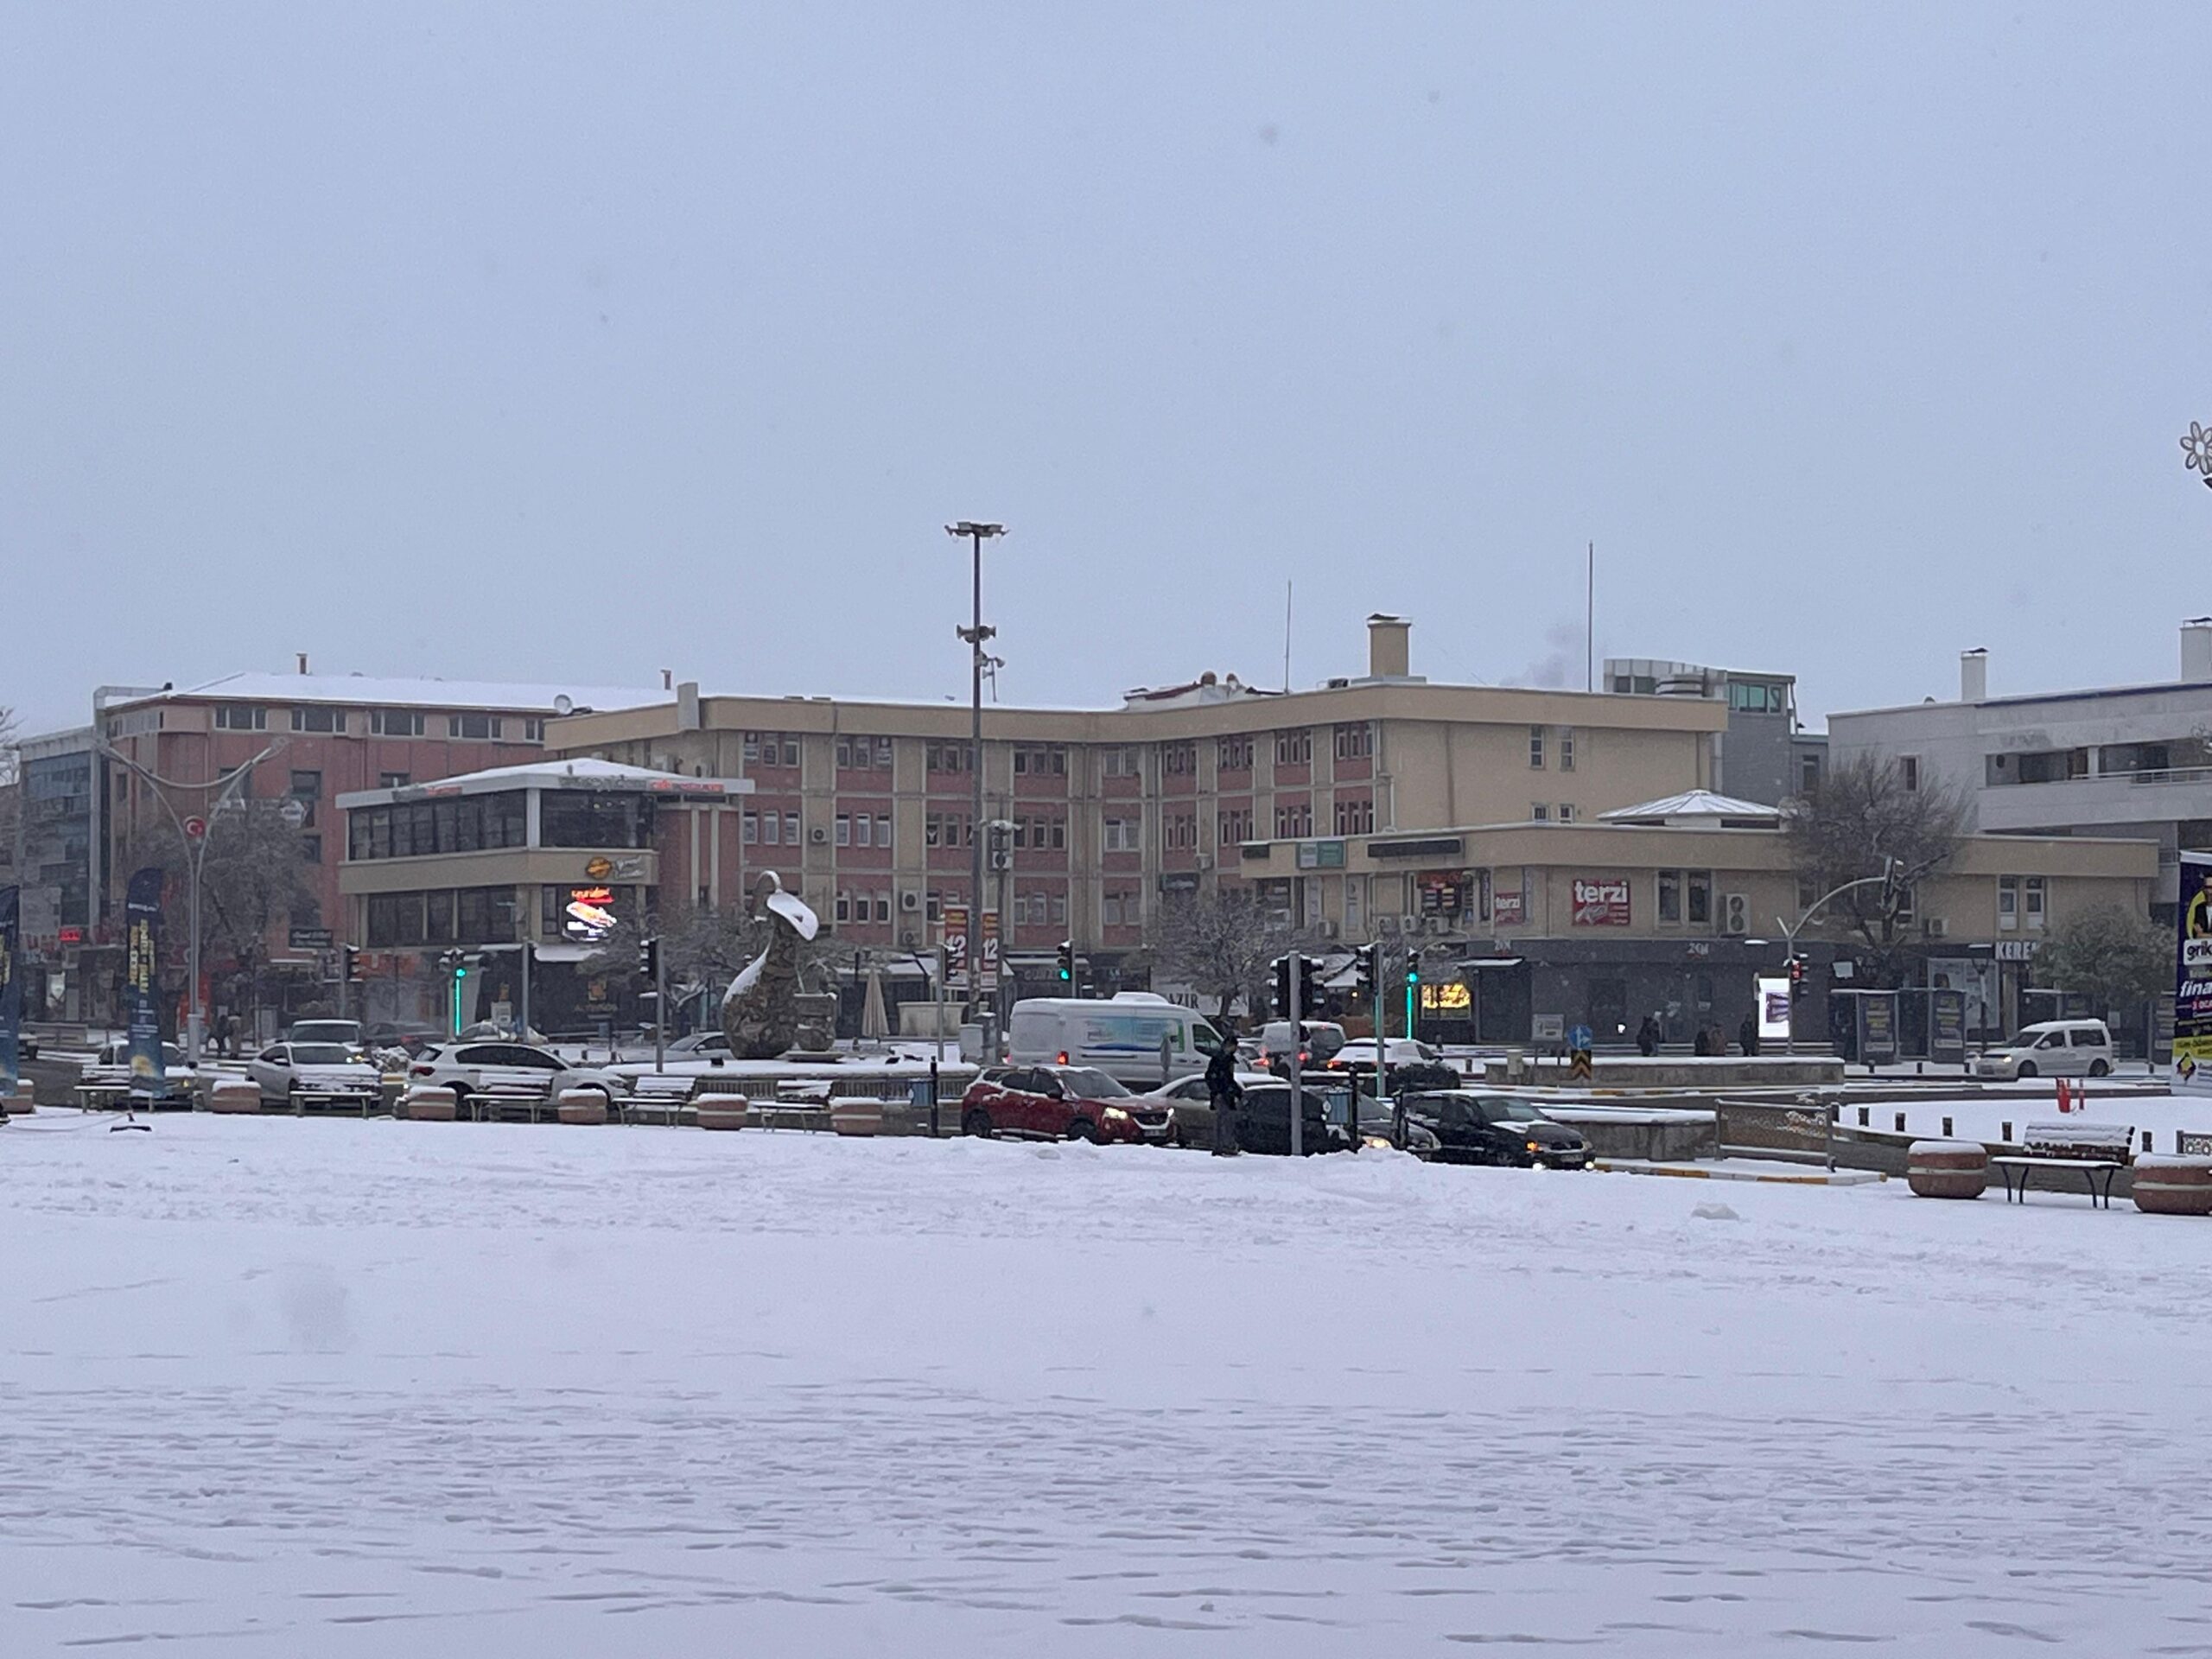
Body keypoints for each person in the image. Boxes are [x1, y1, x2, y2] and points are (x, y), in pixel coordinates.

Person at [1205, 1039, 1243, 1156]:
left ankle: (1224, 1145)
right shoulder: (1221, 1060)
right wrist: (1218, 1091)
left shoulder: (1224, 1059)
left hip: (1225, 1094)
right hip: (1222, 1095)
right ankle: (1223, 1146)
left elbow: (1228, 1079)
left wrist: (1236, 1091)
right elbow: (1216, 1077)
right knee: (1223, 1121)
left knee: (1226, 1121)